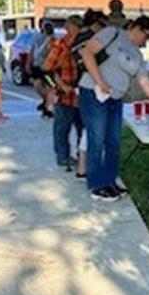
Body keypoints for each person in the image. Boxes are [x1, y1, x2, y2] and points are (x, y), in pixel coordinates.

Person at [78, 15, 149, 202]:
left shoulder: (137, 55)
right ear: (136, 28)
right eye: (146, 36)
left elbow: (145, 82)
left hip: (115, 99)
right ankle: (97, 185)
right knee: (97, 138)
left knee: (113, 141)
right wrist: (100, 81)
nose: (146, 42)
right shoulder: (111, 34)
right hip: (94, 93)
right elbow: (87, 53)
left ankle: (109, 180)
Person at [44, 15, 86, 175]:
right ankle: (63, 157)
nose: (81, 30)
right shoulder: (60, 47)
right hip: (65, 96)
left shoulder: (85, 45)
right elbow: (46, 70)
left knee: (84, 129)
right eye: (78, 27)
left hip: (83, 95)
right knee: (62, 128)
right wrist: (60, 86)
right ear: (70, 27)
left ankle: (82, 156)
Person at [30, 22, 56, 118]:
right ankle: (47, 103)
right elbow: (34, 51)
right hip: (42, 66)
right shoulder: (41, 38)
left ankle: (48, 107)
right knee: (43, 86)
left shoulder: (51, 39)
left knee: (49, 87)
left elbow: (36, 51)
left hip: (45, 67)